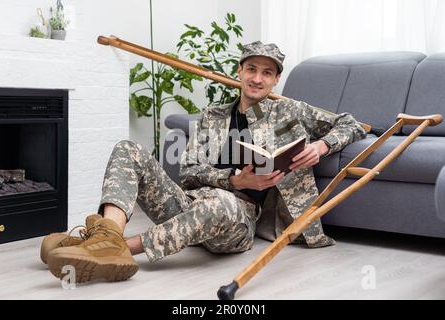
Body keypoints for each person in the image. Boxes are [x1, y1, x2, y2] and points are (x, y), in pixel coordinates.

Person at [41, 41, 367, 283]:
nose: (257, 78)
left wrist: (323, 145)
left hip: (238, 218)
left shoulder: (289, 111)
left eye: (267, 73)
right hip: (192, 202)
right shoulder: (214, 116)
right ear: (239, 71)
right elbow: (189, 172)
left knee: (221, 204)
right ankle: (106, 237)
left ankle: (120, 249)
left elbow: (353, 123)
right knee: (128, 148)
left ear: (275, 80)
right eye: (251, 69)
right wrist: (234, 179)